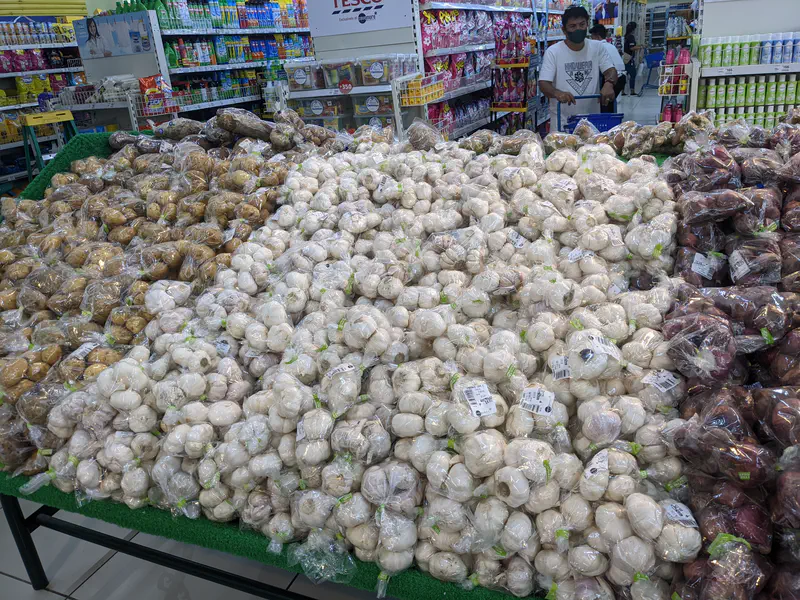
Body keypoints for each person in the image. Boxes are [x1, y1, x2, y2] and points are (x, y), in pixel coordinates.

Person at [539, 5, 618, 130]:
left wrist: (609, 83)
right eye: (573, 26)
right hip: (562, 123)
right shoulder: (553, 52)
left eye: (582, 24)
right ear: (564, 30)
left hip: (592, 123)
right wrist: (557, 93)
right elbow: (543, 83)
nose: (578, 29)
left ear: (587, 25)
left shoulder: (597, 48)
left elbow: (611, 70)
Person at [589, 24, 626, 112]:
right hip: (622, 77)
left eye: (592, 37)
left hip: (614, 78)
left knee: (605, 103)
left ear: (597, 37)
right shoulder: (610, 45)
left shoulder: (599, 47)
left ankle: (607, 121)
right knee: (609, 103)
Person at [624, 21, 644, 95]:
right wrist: (641, 47)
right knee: (633, 74)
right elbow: (632, 48)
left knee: (624, 74)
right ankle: (632, 90)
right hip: (629, 58)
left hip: (624, 58)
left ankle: (623, 91)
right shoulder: (631, 37)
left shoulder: (626, 36)